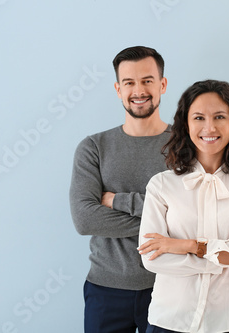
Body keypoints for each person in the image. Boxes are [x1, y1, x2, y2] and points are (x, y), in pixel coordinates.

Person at [137, 80, 229, 333]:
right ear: (186, 124)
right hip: (170, 321)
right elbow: (152, 258)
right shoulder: (161, 185)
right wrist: (228, 255)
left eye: (219, 116)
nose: (209, 127)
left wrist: (186, 246)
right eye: (199, 117)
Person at [70, 46, 171, 333]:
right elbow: (85, 219)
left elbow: (193, 216)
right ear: (118, 89)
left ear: (162, 84)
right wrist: (163, 217)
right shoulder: (93, 147)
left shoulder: (186, 146)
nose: (138, 90)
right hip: (106, 289)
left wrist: (117, 201)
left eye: (147, 80)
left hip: (170, 286)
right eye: (129, 82)